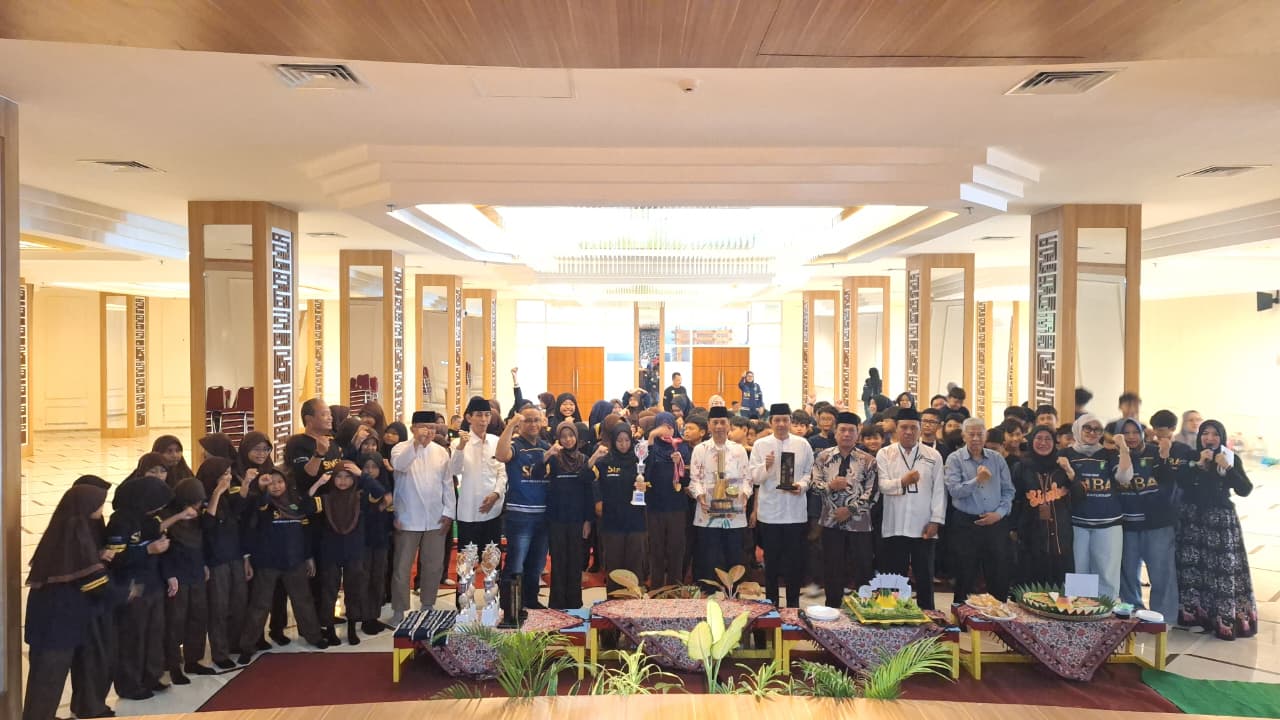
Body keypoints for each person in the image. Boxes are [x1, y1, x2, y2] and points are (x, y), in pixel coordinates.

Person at [24, 484, 118, 720]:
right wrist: (126, 593)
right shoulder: (76, 534)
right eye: (99, 503)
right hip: (57, 622)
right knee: (48, 681)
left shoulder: (67, 528)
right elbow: (93, 581)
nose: (102, 508)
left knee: (45, 680)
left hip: (54, 617)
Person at [237, 468, 330, 663]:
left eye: (280, 482)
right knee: (260, 605)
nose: (276, 486)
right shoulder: (261, 503)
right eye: (271, 483)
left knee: (303, 600)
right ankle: (247, 645)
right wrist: (247, 558)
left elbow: (305, 532)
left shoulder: (295, 503)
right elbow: (250, 527)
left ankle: (314, 635)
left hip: (294, 561)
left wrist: (308, 556)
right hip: (267, 563)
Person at [1176, 420, 1257, 639]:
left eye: (1215, 434)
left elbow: (1245, 489)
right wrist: (1197, 464)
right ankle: (1196, 617)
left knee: (1222, 570)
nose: (1209, 438)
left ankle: (1224, 620)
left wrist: (1228, 468)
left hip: (1220, 522)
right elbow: (1180, 481)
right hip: (1193, 521)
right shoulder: (1192, 456)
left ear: (1222, 437)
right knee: (1194, 570)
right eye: (1205, 433)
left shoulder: (1230, 458)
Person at [107, 464, 176, 700]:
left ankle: (151, 676)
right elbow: (114, 558)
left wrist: (168, 574)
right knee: (132, 637)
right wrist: (148, 550)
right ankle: (129, 683)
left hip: (153, 583)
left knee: (154, 633)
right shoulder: (120, 521)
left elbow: (159, 544)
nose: (160, 508)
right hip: (132, 586)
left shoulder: (150, 518)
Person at [875, 407, 946, 610]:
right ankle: (889, 613)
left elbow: (939, 490)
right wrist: (902, 482)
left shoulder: (933, 455)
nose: (908, 432)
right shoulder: (885, 453)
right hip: (894, 523)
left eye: (913, 428)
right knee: (892, 575)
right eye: (904, 427)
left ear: (920, 429)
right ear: (896, 429)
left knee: (924, 575)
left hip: (923, 525)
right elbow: (883, 485)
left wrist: (936, 520)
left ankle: (928, 616)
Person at [389, 411, 455, 625]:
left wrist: (449, 512)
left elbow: (447, 484)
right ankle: (399, 609)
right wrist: (416, 444)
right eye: (424, 427)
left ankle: (428, 604)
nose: (429, 432)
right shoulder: (400, 448)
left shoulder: (441, 452)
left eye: (432, 428)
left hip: (436, 518)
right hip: (407, 517)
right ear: (413, 428)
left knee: (433, 565)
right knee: (402, 567)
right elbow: (400, 465)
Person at [810, 411, 878, 608]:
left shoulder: (868, 460)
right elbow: (813, 485)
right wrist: (830, 486)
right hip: (830, 522)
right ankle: (832, 607)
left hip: (860, 524)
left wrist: (850, 510)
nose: (847, 434)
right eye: (843, 430)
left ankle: (864, 609)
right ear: (835, 432)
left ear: (858, 433)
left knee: (863, 568)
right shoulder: (823, 457)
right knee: (832, 567)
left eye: (851, 430)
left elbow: (872, 493)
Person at [748, 403, 814, 607]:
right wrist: (766, 466)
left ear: (790, 422)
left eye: (785, 420)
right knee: (772, 562)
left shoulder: (802, 444)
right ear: (771, 422)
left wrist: (801, 486)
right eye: (777, 420)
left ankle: (793, 605)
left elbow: (809, 473)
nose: (781, 424)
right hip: (770, 514)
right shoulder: (760, 445)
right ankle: (772, 604)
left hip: (795, 513)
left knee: (795, 562)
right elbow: (754, 477)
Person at [944, 417, 1016, 603]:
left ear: (986, 436)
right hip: (966, 523)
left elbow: (1009, 491)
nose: (975, 438)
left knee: (998, 572)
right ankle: (961, 614)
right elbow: (954, 491)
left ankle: (998, 614)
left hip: (996, 522)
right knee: (964, 573)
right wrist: (977, 480)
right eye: (971, 434)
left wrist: (999, 514)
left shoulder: (997, 458)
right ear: (963, 436)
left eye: (979, 434)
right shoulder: (954, 459)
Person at [1115, 418, 1179, 624]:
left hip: (1158, 524)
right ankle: (1133, 613)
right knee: (1128, 574)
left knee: (1162, 573)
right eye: (1126, 433)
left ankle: (1164, 617)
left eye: (1135, 432)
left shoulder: (1156, 452)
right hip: (1128, 524)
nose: (1131, 437)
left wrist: (1164, 455)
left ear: (1143, 433)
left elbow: (1170, 481)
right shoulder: (1114, 456)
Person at [1064, 413, 1132, 601]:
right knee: (1079, 570)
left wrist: (1123, 448)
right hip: (1077, 522)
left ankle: (1105, 612)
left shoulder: (1109, 454)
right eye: (1087, 428)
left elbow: (1124, 477)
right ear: (1078, 429)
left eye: (1097, 429)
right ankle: (1081, 610)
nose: (1092, 433)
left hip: (1108, 523)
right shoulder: (1066, 455)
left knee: (1106, 572)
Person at [317, 462, 387, 646]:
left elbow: (380, 491)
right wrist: (318, 483)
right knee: (329, 590)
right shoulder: (325, 497)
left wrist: (362, 474)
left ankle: (351, 628)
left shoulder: (361, 497)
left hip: (354, 550)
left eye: (348, 477)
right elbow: (306, 507)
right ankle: (329, 628)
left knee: (354, 590)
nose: (343, 481)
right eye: (339, 477)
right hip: (330, 551)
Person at [65, 476, 117, 720]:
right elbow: (79, 565)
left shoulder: (93, 522)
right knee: (91, 656)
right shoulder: (73, 529)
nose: (101, 508)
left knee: (102, 654)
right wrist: (99, 558)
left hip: (99, 599)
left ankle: (92, 702)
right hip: (88, 602)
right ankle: (89, 706)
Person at [687, 406, 753, 593]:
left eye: (722, 422)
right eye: (715, 423)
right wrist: (699, 496)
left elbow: (747, 479)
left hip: (733, 514)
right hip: (708, 513)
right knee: (709, 558)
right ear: (709, 425)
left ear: (729, 425)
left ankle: (733, 596)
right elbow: (694, 479)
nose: (719, 426)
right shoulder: (700, 449)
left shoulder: (739, 450)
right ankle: (709, 598)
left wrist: (745, 495)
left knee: (734, 556)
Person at [495, 407, 551, 609]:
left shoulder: (546, 447)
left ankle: (531, 600)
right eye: (528, 420)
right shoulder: (515, 445)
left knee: (536, 564)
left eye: (536, 420)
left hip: (543, 515)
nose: (533, 424)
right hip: (520, 514)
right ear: (520, 423)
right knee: (516, 562)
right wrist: (510, 425)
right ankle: (510, 604)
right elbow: (501, 455)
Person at [199, 456, 250, 671]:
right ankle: (219, 652)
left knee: (238, 602)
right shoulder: (202, 498)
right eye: (224, 475)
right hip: (216, 560)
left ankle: (235, 642)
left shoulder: (229, 498)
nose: (228, 478)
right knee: (219, 607)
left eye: (229, 474)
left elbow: (241, 513)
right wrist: (216, 493)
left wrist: (245, 558)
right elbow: (207, 526)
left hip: (235, 556)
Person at [160, 476, 212, 684]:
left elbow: (201, 541)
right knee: (176, 621)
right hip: (177, 574)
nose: (199, 505)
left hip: (196, 570)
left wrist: (204, 564)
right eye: (196, 501)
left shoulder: (198, 516)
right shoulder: (168, 515)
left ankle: (193, 660)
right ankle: (173, 666)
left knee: (198, 617)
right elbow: (160, 538)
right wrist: (169, 574)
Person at [1011, 425, 1075, 585]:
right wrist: (1013, 528)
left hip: (1061, 534)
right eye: (1039, 438)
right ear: (1031, 440)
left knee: (1062, 586)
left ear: (1055, 442)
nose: (1043, 443)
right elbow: (1014, 499)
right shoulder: (1021, 467)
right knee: (1031, 584)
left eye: (1048, 439)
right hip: (1030, 534)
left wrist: (1070, 472)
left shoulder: (1063, 466)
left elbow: (1080, 495)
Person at [543, 422, 594, 608]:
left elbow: (588, 492)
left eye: (571, 435)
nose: (568, 440)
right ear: (558, 439)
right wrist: (548, 454)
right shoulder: (554, 459)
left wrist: (588, 520)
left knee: (575, 560)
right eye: (563, 437)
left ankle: (574, 602)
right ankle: (557, 602)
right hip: (556, 517)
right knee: (558, 560)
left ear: (576, 437)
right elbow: (541, 478)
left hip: (577, 518)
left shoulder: (584, 459)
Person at [593, 424, 647, 593]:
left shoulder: (639, 461)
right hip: (612, 521)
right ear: (613, 441)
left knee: (635, 563)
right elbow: (594, 484)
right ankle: (613, 601)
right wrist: (598, 502)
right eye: (619, 441)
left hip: (635, 520)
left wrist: (645, 486)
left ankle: (634, 600)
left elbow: (650, 484)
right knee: (614, 564)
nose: (623, 444)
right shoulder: (604, 462)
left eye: (626, 440)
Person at [450, 397, 507, 555]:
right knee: (467, 562)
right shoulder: (457, 443)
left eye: (487, 415)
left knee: (491, 561)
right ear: (469, 418)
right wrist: (461, 447)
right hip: (468, 512)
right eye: (479, 415)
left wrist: (496, 494)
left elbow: (502, 473)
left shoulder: (496, 441)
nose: (483, 419)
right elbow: (454, 470)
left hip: (493, 510)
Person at [642, 412, 691, 588]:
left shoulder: (682, 447)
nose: (665, 431)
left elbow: (686, 481)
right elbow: (644, 472)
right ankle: (656, 587)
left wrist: (679, 464)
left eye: (669, 426)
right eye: (661, 426)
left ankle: (675, 587)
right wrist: (651, 437)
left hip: (676, 506)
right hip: (654, 506)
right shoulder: (650, 446)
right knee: (656, 548)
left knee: (676, 548)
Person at [357, 452, 395, 633]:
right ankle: (364, 616)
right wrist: (380, 506)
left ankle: (373, 615)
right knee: (364, 577)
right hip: (363, 540)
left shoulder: (386, 484)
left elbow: (390, 510)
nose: (370, 471)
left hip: (381, 539)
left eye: (374, 467)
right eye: (366, 467)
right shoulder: (358, 487)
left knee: (378, 577)